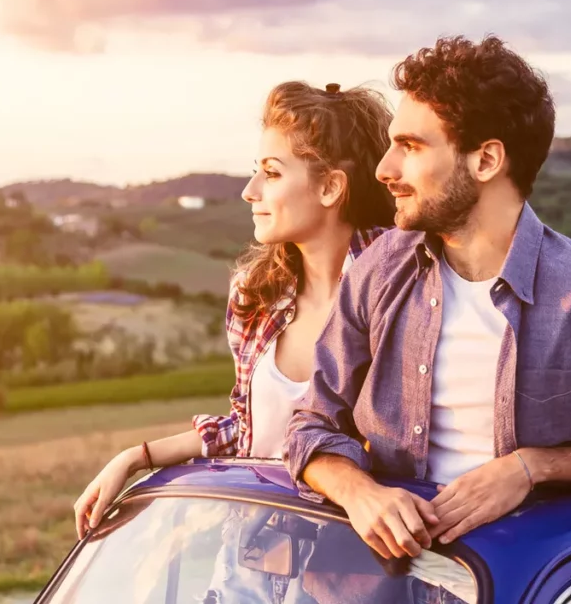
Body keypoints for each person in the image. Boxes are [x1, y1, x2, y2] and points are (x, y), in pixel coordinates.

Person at [285, 35, 571, 566]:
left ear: (487, 159)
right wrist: (360, 493)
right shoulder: (377, 271)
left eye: (412, 146)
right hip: (385, 585)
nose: (384, 169)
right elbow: (311, 426)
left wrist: (530, 467)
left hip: (529, 581)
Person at [72, 80, 396, 539]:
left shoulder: (399, 289)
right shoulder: (255, 295)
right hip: (250, 562)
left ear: (330, 187)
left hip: (354, 566)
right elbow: (249, 431)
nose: (249, 190)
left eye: (272, 172)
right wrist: (135, 458)